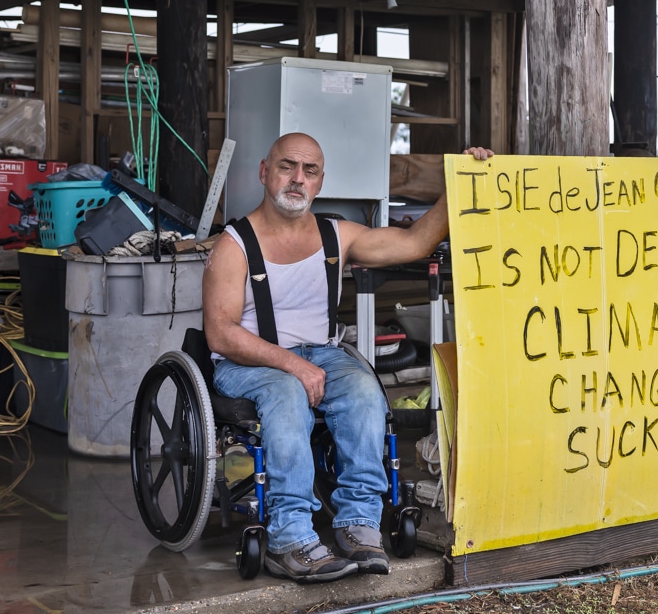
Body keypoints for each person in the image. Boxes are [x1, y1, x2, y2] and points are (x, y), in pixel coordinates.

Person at [203, 132, 493, 583]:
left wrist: (461, 182)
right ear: (264, 171)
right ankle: (290, 538)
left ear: (320, 182)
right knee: (285, 392)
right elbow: (220, 333)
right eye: (287, 166)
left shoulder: (334, 235)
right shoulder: (235, 244)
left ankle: (358, 525)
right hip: (249, 364)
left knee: (362, 386)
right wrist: (291, 364)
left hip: (320, 354)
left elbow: (415, 243)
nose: (297, 179)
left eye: (310, 171)